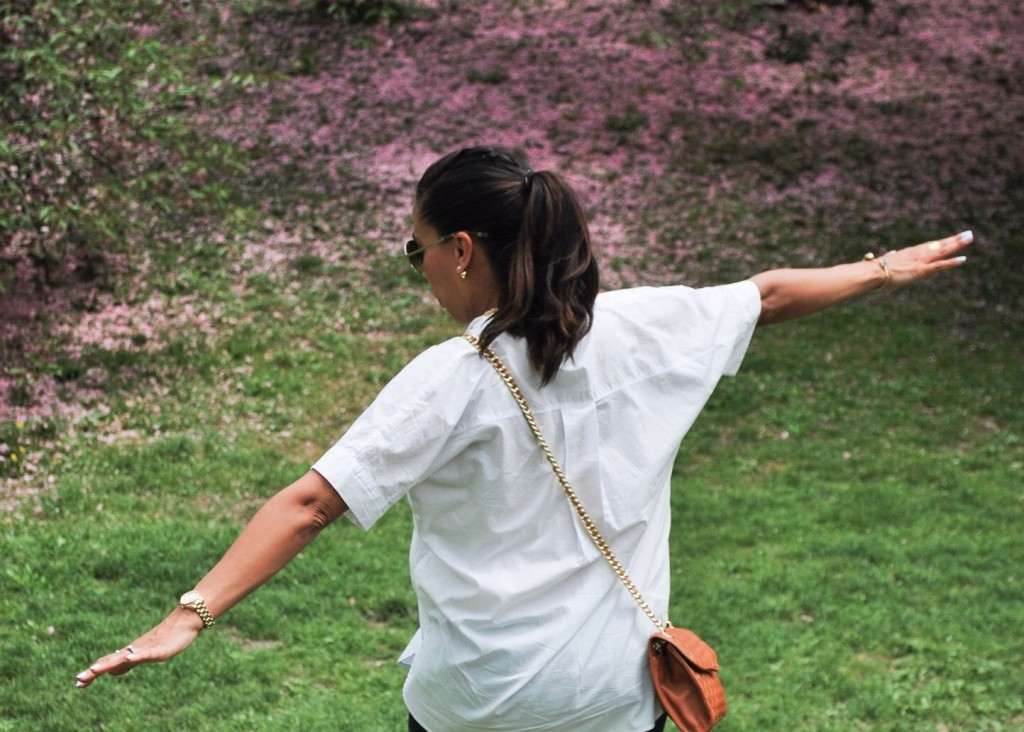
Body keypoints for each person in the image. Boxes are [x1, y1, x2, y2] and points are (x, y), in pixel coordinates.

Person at [75, 145, 972, 731]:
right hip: (615, 700)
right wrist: (885, 269)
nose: (418, 267)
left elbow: (311, 503)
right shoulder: (648, 327)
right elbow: (767, 294)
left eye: (416, 248)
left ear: (463, 249)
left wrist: (186, 617)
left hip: (481, 704)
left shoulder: (452, 379)